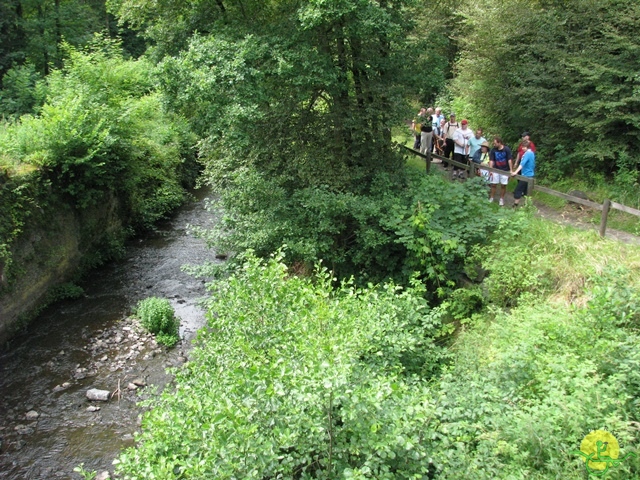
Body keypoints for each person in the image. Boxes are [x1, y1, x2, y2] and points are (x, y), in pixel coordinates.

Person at [489, 136, 513, 206]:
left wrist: (511, 170)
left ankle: (501, 199)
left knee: (503, 185)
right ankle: (492, 197)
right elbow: (491, 160)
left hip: (505, 169)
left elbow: (509, 159)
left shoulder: (506, 149)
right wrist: (491, 170)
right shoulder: (493, 150)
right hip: (496, 169)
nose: (494, 145)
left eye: (495, 143)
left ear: (499, 143)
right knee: (493, 184)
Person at [511, 140, 535, 206]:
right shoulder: (532, 153)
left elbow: (522, 164)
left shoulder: (528, 154)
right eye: (522, 147)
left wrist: (515, 172)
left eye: (524, 147)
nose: (522, 148)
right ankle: (526, 206)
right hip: (530, 175)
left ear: (528, 147)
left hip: (526, 175)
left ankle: (515, 205)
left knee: (518, 190)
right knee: (526, 191)